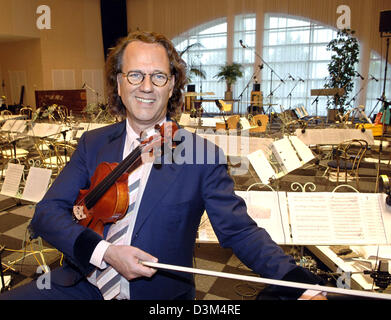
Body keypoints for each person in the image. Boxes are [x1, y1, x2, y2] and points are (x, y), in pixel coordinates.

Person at [0, 30, 325, 300]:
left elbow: (240, 231)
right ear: (119, 83)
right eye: (135, 75)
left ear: (172, 85)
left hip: (158, 297)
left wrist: (298, 282)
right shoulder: (94, 143)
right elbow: (47, 213)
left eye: (158, 76)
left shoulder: (203, 156)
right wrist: (105, 252)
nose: (146, 86)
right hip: (86, 281)